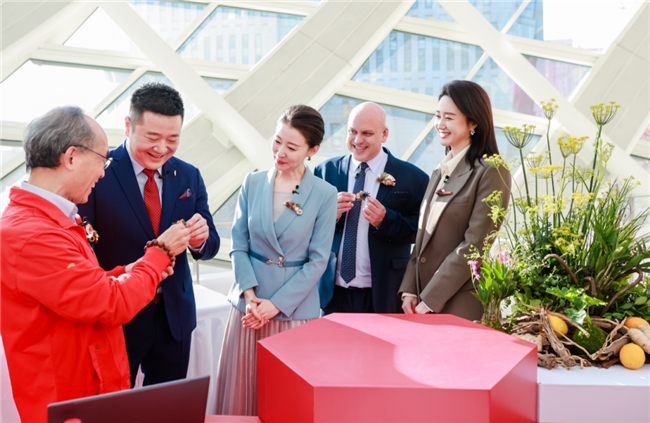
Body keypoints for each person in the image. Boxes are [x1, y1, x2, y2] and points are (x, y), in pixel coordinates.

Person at [0, 106, 191, 423]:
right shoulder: (31, 234)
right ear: (71, 157)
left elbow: (81, 288)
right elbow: (111, 303)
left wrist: (128, 271)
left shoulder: (50, 220)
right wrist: (160, 252)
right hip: (68, 402)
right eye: (103, 159)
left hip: (85, 391)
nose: (103, 173)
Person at [78, 83, 220, 387]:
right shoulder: (98, 172)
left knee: (167, 405)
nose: (162, 148)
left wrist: (200, 240)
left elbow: (211, 245)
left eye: (173, 139)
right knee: (114, 404)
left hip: (173, 317)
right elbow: (84, 248)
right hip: (118, 318)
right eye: (152, 137)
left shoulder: (189, 175)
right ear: (128, 125)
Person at [216, 105, 337, 416]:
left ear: (312, 150)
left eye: (292, 147)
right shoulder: (252, 182)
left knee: (284, 401)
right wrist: (250, 296)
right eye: (277, 141)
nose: (280, 152)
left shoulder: (324, 194)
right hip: (248, 309)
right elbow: (238, 245)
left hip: (293, 311)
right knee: (243, 393)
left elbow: (318, 261)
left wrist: (276, 305)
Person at [399, 80, 512, 320]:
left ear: (473, 122)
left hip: (459, 302)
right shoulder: (440, 170)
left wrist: (431, 298)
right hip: (422, 298)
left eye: (449, 118)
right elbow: (423, 238)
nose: (440, 124)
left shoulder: (491, 171)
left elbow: (475, 246)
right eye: (437, 116)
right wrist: (410, 288)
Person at [314, 102, 429, 314]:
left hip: (385, 292)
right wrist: (328, 215)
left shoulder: (414, 178)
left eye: (367, 133)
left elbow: (422, 233)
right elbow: (306, 229)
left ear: (384, 134)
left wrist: (386, 221)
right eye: (352, 131)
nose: (358, 140)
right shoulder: (324, 172)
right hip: (332, 294)